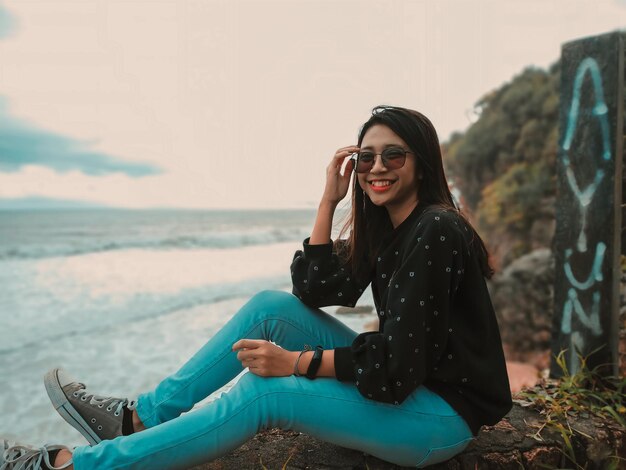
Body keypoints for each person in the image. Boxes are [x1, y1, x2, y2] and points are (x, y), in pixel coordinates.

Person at [1, 105, 512, 470]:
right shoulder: (390, 229)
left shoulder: (435, 228)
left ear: (421, 162)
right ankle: (139, 418)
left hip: (438, 418)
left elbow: (398, 368)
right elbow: (310, 291)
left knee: (266, 390)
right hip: (412, 387)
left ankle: (76, 466)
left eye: (393, 156)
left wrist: (296, 363)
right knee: (273, 308)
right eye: (367, 158)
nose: (377, 168)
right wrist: (328, 202)